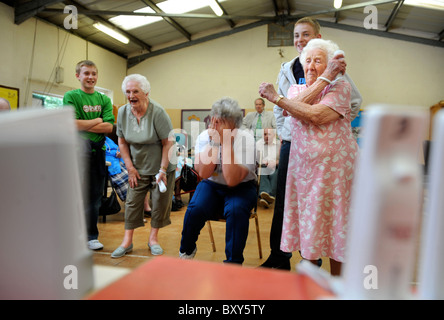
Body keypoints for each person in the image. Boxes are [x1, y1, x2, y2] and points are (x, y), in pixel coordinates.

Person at [260, 17, 362, 270]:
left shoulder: (341, 82)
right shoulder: (292, 77)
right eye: (296, 36)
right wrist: (287, 116)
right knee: (307, 218)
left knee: (336, 221)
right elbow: (287, 109)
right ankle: (306, 276)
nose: (300, 40)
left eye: (306, 35)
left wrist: (279, 98)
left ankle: (337, 285)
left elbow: (314, 114)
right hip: (302, 161)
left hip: (335, 168)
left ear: (317, 37)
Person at [179, 97, 257, 264]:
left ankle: (233, 263)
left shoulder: (247, 139)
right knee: (195, 209)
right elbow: (204, 173)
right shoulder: (204, 137)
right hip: (212, 184)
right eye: (216, 121)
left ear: (235, 126)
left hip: (241, 187)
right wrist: (215, 142)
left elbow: (232, 180)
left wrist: (226, 141)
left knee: (236, 210)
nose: (217, 126)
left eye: (223, 123)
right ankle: (186, 250)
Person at [111, 74, 176, 258]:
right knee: (132, 203)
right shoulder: (123, 112)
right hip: (137, 167)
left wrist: (162, 170)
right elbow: (122, 143)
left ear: (146, 93)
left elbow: (167, 143)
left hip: (162, 165)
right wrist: (130, 168)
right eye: (128, 92)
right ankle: (127, 242)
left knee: (158, 203)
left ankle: (153, 239)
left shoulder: (158, 112)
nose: (131, 95)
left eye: (135, 91)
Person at [63, 60, 114, 250]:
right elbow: (70, 124)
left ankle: (91, 236)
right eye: (86, 73)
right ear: (78, 76)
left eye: (93, 73)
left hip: (98, 154)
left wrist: (84, 123)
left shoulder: (104, 100)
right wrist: (97, 120)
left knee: (94, 197)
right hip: (76, 153)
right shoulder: (71, 96)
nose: (90, 77)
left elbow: (109, 127)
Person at [256, 127, 280, 208]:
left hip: (275, 167)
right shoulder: (258, 144)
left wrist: (275, 163)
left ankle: (266, 197)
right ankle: (268, 196)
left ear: (274, 135)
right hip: (263, 166)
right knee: (262, 171)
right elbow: (255, 158)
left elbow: (283, 160)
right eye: (265, 134)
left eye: (269, 134)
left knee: (275, 174)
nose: (267, 136)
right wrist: (262, 162)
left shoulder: (279, 144)